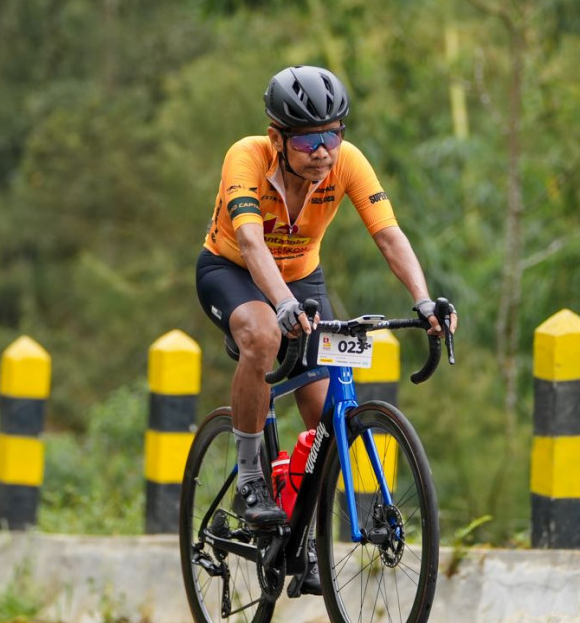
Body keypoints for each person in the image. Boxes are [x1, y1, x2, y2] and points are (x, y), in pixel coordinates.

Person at [196, 65, 458, 547]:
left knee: (326, 423)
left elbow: (388, 235)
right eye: (306, 140)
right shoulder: (246, 157)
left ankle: (297, 539)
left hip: (302, 278)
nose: (322, 151)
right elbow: (251, 242)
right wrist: (281, 304)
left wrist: (423, 301)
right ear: (277, 138)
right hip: (232, 270)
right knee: (263, 335)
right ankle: (251, 477)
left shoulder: (347, 162)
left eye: (332, 135)